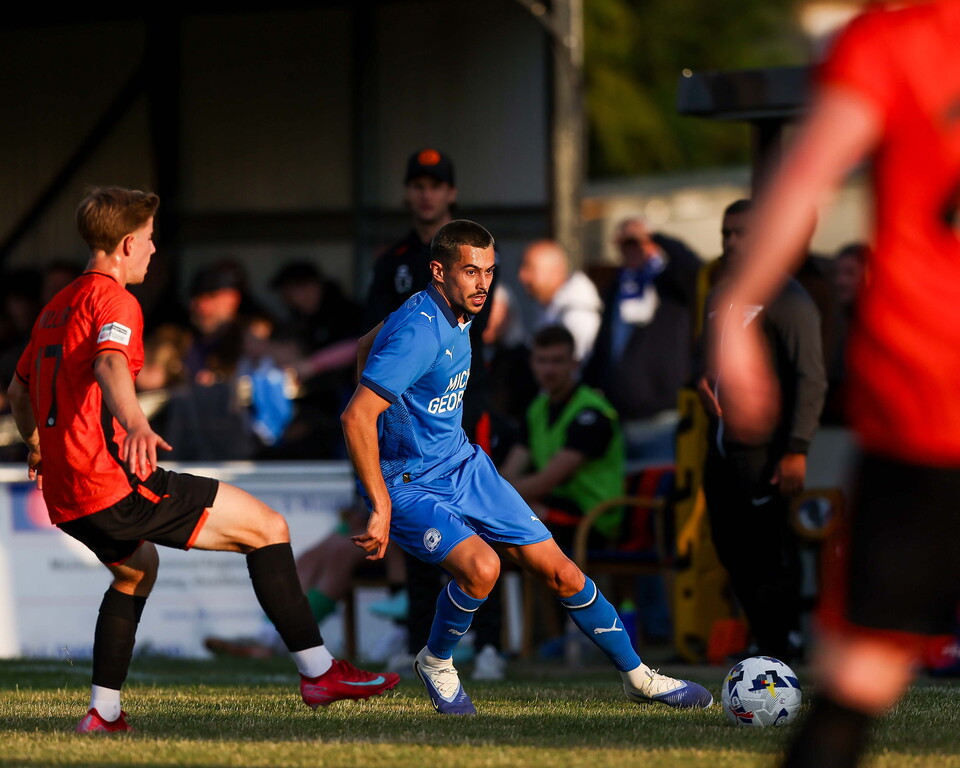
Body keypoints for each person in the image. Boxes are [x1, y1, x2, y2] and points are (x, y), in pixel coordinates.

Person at [6, 187, 398, 733]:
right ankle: (319, 672)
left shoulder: (56, 306)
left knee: (135, 572)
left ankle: (103, 713)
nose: (152, 250)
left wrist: (36, 444)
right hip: (109, 482)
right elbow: (111, 366)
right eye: (147, 240)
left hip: (66, 495)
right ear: (124, 243)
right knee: (268, 527)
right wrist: (137, 421)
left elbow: (20, 391)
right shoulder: (114, 300)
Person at [706, 3, 960, 766]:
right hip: (927, 397)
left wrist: (732, 320)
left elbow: (805, 175)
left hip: (931, 393)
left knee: (860, 677)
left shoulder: (900, 39)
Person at [341, 219, 713, 715]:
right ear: (438, 271)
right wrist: (380, 502)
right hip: (409, 484)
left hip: (463, 465)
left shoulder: (456, 311)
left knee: (562, 573)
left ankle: (640, 679)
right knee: (483, 569)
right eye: (471, 272)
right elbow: (356, 415)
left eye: (490, 272)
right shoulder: (418, 332)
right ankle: (436, 661)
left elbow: (367, 345)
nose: (483, 284)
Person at [365, 149, 504, 680]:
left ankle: (490, 645)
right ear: (408, 192)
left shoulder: (478, 248)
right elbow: (370, 341)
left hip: (465, 404)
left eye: (436, 184)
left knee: (485, 527)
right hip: (410, 417)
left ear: (450, 193)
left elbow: (487, 327)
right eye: (417, 183)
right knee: (423, 531)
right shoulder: (392, 261)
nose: (426, 193)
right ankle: (427, 644)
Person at [698, 198, 827, 664]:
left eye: (743, 233)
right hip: (721, 449)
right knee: (733, 552)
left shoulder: (788, 297)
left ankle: (782, 642)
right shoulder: (720, 294)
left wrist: (796, 448)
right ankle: (763, 640)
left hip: (767, 451)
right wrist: (701, 380)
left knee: (770, 552)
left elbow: (810, 376)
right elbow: (704, 361)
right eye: (726, 233)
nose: (732, 242)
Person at [582, 216, 701, 466]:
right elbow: (605, 347)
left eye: (636, 243)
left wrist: (655, 235)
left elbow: (694, 270)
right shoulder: (618, 287)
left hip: (663, 417)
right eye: (624, 245)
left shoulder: (670, 284)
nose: (631, 250)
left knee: (659, 494)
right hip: (620, 417)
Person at [500, 324, 624, 554]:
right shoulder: (536, 410)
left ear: (574, 364)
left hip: (593, 518)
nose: (549, 369)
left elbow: (547, 481)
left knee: (515, 521)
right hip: (556, 507)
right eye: (542, 360)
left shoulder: (592, 413)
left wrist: (494, 497)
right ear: (532, 363)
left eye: (557, 361)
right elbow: (511, 471)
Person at [517, 239, 603, 365]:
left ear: (555, 271)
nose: (522, 276)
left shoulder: (578, 314)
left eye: (530, 268)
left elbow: (574, 372)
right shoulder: (548, 306)